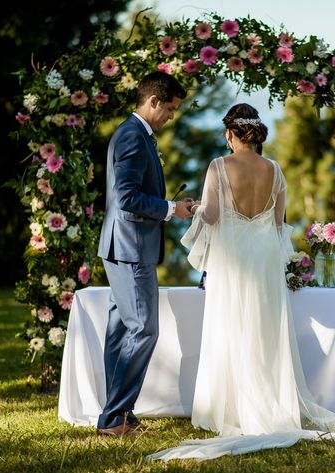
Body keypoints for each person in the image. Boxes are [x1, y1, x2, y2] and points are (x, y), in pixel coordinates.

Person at [147, 104, 335, 461]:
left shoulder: (219, 166)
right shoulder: (275, 169)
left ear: (230, 133)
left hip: (233, 262)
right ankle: (270, 401)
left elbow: (211, 215)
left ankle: (234, 409)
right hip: (264, 262)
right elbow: (278, 224)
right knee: (265, 331)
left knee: (231, 328)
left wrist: (190, 209)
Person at [96, 72, 193, 436]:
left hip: (123, 245)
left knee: (121, 332)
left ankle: (121, 415)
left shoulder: (135, 134)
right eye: (169, 108)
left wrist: (172, 206)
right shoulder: (134, 136)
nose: (170, 116)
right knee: (144, 329)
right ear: (153, 101)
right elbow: (128, 198)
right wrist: (170, 208)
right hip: (131, 247)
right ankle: (113, 418)